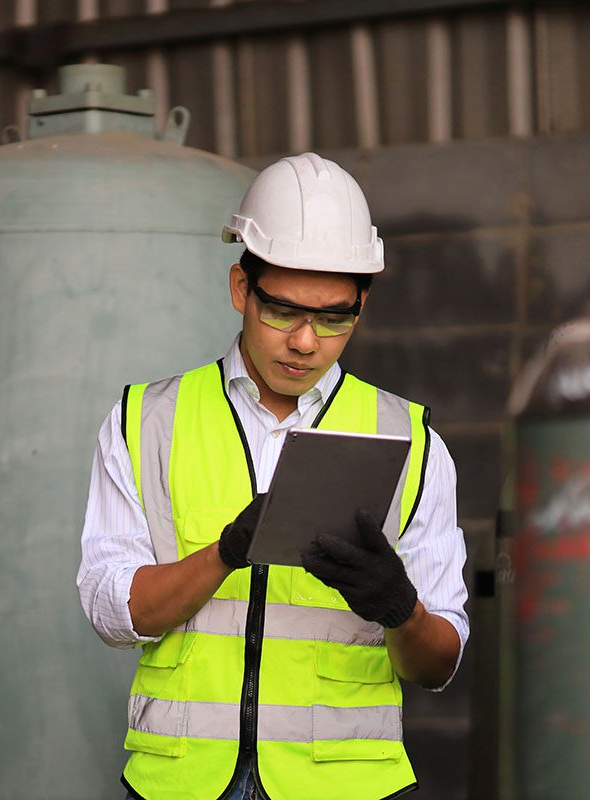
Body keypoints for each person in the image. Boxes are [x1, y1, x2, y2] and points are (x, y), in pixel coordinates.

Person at [77, 152, 469, 800]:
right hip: (181, 786)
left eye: (335, 316)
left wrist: (399, 608)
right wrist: (226, 553)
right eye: (283, 311)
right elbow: (112, 613)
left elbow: (439, 663)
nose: (306, 342)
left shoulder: (410, 439)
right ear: (240, 288)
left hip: (347, 788)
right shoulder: (144, 420)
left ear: (362, 303)